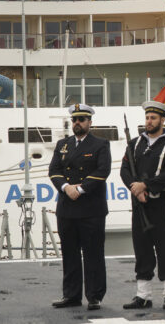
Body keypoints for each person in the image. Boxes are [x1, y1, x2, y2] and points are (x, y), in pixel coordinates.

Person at [48, 104, 111, 311]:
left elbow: (103, 171)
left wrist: (81, 189)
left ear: (89, 123)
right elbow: (54, 170)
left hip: (90, 208)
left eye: (82, 119)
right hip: (67, 207)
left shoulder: (100, 144)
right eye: (75, 120)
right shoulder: (62, 144)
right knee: (70, 253)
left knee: (93, 253)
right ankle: (71, 295)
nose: (77, 123)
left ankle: (94, 296)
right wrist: (66, 188)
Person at [121, 101, 165, 310]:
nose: (149, 121)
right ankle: (143, 295)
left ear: (162, 120)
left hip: (161, 203)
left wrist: (145, 185)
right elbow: (125, 170)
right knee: (142, 247)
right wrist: (136, 189)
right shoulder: (135, 143)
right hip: (140, 203)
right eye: (147, 118)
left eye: (153, 118)